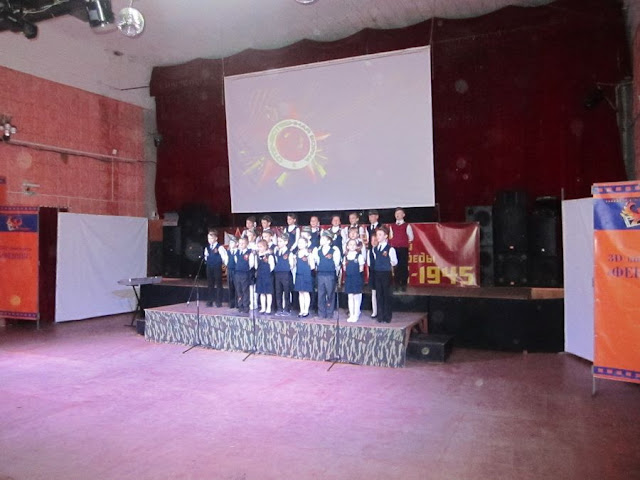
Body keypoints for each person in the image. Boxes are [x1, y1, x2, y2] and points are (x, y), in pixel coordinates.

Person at [372, 226, 397, 323]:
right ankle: (380, 315)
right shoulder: (375, 249)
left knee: (386, 294)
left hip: (386, 273)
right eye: (377, 235)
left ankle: (387, 316)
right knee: (379, 294)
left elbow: (394, 262)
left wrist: (386, 265)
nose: (378, 237)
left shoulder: (390, 249)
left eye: (380, 235)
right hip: (377, 273)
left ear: (386, 236)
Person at [314, 230, 341, 319]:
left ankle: (330, 312)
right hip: (320, 274)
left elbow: (336, 263)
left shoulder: (334, 250)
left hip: (330, 275)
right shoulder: (318, 250)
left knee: (330, 294)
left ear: (329, 240)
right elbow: (317, 262)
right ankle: (321, 313)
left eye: (323, 239)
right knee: (321, 294)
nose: (321, 240)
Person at [389, 207, 414, 291]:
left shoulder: (407, 225)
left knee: (403, 266)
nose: (397, 215)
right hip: (394, 248)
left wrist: (403, 242)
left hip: (403, 248)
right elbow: (391, 237)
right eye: (396, 213)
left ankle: (403, 284)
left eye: (399, 213)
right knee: (395, 266)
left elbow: (411, 237)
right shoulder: (392, 226)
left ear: (403, 215)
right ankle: (396, 284)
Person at [204, 230, 228, 308]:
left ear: (216, 238)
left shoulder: (220, 247)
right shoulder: (207, 247)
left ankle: (218, 301)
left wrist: (225, 265)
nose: (210, 240)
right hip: (209, 267)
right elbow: (206, 257)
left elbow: (224, 257)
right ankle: (210, 300)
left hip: (217, 267)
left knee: (218, 284)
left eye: (211, 238)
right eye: (209, 238)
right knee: (210, 284)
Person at [343, 238, 365, 323]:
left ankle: (356, 314)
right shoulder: (346, 257)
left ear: (356, 246)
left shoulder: (359, 256)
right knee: (350, 296)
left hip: (356, 278)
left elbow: (361, 269)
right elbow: (344, 268)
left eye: (354, 245)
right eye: (350, 244)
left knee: (356, 297)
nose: (352, 246)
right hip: (348, 278)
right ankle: (351, 314)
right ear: (347, 246)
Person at [293, 236, 315, 318]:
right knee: (300, 293)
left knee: (306, 293)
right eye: (299, 243)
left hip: (306, 275)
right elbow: (294, 266)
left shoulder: (309, 254)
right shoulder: (296, 254)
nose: (300, 244)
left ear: (306, 244)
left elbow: (312, 266)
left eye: (302, 243)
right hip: (299, 274)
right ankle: (301, 310)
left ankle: (306, 310)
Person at [273, 232, 295, 316]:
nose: (279, 243)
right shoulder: (277, 252)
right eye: (278, 241)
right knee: (278, 291)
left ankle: (287, 309)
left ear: (286, 242)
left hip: (286, 274)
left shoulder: (289, 252)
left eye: (281, 241)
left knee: (286, 291)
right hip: (278, 273)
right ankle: (279, 309)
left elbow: (291, 264)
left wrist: (287, 269)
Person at [234, 236, 256, 313]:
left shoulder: (249, 253)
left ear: (247, 244)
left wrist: (246, 269)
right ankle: (240, 305)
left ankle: (246, 306)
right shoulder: (237, 252)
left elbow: (251, 264)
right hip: (238, 273)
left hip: (245, 274)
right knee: (239, 290)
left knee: (245, 290)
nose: (241, 245)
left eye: (243, 243)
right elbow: (236, 261)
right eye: (240, 243)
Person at [255, 239, 275, 314]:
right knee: (262, 292)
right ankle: (263, 308)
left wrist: (267, 272)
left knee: (268, 293)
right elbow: (256, 266)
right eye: (258, 247)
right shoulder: (257, 256)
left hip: (267, 276)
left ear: (265, 247)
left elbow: (272, 266)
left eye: (261, 247)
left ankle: (268, 308)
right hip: (260, 276)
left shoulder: (269, 256)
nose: (259, 248)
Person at [367, 233, 379, 318]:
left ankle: (381, 310)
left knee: (381, 293)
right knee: (373, 294)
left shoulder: (381, 250)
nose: (374, 242)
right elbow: (368, 263)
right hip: (373, 274)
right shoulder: (370, 251)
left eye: (376, 240)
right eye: (372, 240)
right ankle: (374, 311)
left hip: (380, 273)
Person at [226, 236, 238, 308]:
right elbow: (226, 261)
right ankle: (231, 302)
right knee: (230, 286)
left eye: (233, 243)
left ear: (236, 244)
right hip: (229, 270)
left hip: (236, 271)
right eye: (230, 243)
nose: (231, 244)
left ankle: (237, 303)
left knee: (236, 287)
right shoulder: (228, 252)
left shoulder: (238, 252)